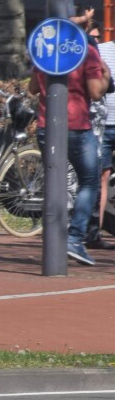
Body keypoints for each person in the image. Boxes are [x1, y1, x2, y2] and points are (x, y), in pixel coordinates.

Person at [27, 39, 108, 265]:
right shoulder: (87, 51)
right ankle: (73, 238)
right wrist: (106, 76)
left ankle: (53, 238)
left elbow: (32, 88)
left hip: (46, 125)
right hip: (76, 127)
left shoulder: (45, 49)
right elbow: (95, 91)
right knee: (90, 181)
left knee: (56, 181)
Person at [91, 27, 115, 250]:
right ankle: (94, 233)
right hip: (105, 124)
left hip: (105, 123)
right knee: (101, 178)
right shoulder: (102, 50)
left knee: (101, 178)